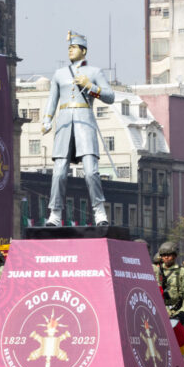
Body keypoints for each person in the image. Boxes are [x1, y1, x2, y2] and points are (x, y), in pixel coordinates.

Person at [42, 31, 115, 227]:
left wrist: (91, 86)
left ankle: (99, 212)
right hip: (64, 122)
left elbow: (110, 96)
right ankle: (55, 214)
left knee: (91, 171)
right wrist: (47, 119)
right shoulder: (59, 74)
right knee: (58, 172)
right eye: (69, 48)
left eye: (73, 47)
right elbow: (52, 99)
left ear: (83, 50)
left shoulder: (95, 71)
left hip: (85, 121)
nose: (70, 50)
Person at [156, 242, 184, 318]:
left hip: (177, 310)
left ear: (175, 256)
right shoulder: (156, 272)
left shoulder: (182, 272)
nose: (166, 257)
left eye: (169, 255)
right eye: (164, 255)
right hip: (160, 310)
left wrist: (183, 311)